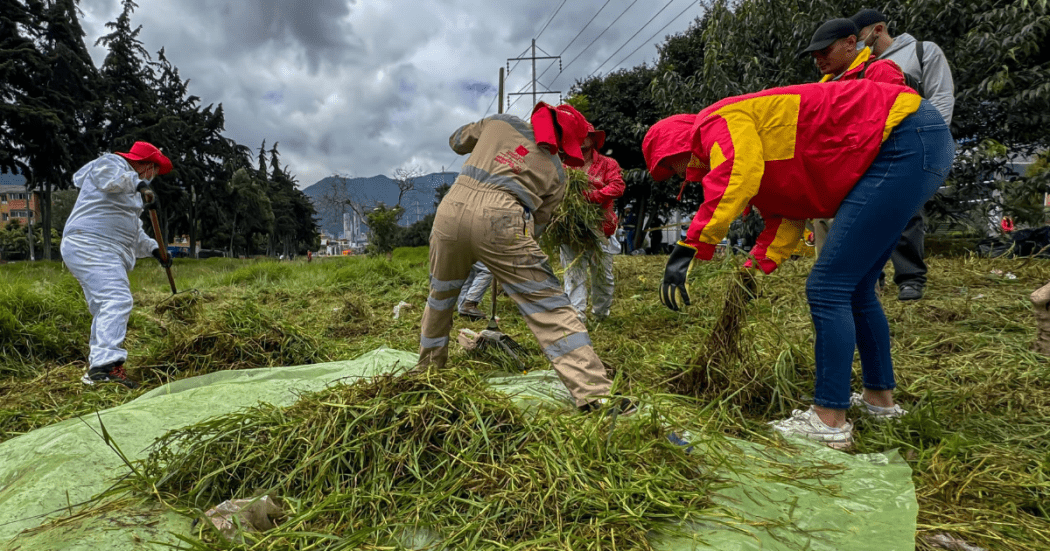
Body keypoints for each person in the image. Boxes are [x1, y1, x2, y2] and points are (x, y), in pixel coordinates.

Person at [642, 79, 954, 449]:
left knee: (826, 288)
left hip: (901, 136)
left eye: (670, 165)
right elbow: (786, 217)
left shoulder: (716, 120)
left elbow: (735, 173)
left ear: (675, 145)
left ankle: (829, 420)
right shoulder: (766, 156)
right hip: (916, 141)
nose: (678, 174)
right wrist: (752, 271)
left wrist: (689, 247)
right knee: (855, 289)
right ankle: (879, 401)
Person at [417, 103, 629, 413]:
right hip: (503, 221)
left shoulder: (499, 122)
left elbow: (456, 140)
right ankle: (595, 394)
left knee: (440, 297)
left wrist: (488, 135)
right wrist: (512, 261)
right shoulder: (558, 170)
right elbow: (539, 224)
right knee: (549, 306)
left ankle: (427, 373)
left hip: (450, 213)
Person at [853, 8, 956, 301]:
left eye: (859, 37)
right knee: (866, 211)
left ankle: (910, 278)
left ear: (878, 30)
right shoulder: (859, 66)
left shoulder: (921, 52)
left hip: (912, 139)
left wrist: (933, 137)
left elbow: (941, 95)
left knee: (907, 211)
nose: (855, 44)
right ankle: (873, 277)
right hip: (873, 145)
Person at [61, 141, 174, 389]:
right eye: (154, 170)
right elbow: (110, 178)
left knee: (106, 306)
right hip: (90, 242)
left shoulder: (131, 199)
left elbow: (134, 234)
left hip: (107, 249)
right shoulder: (111, 164)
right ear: (146, 165)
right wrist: (139, 184)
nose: (153, 176)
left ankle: (99, 368)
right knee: (116, 299)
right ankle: (105, 367)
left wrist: (156, 250)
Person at [800, 17, 905, 256]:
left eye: (825, 52)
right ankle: (831, 291)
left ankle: (860, 290)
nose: (820, 61)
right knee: (827, 244)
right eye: (815, 57)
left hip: (868, 172)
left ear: (850, 43)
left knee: (854, 244)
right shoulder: (822, 87)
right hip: (834, 177)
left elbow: (895, 118)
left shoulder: (878, 70)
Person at [559, 123, 625, 322]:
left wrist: (592, 196)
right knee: (573, 274)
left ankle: (601, 314)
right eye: (576, 135)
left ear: (594, 140)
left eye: (585, 135)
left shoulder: (607, 164)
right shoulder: (564, 165)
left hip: (600, 228)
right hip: (571, 229)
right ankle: (577, 317)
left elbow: (617, 186)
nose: (581, 139)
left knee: (603, 277)